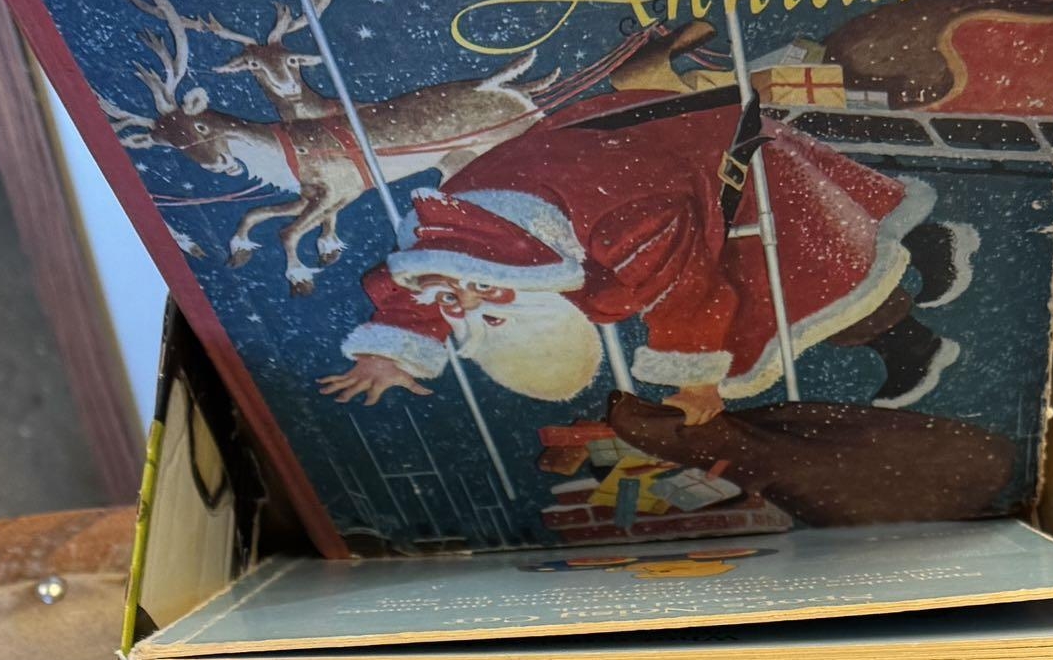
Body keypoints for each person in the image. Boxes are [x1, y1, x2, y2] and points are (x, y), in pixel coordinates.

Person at [318, 87, 970, 423]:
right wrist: (391, 349)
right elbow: (427, 285)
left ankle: (914, 344)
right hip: (613, 157)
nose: (461, 303)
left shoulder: (626, 224)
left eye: (477, 301)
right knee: (820, 244)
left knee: (802, 278)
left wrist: (696, 378)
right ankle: (934, 246)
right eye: (475, 312)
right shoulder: (449, 242)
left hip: (709, 159)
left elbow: (685, 291)